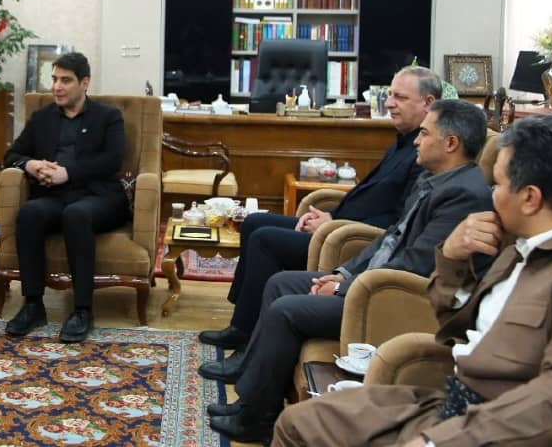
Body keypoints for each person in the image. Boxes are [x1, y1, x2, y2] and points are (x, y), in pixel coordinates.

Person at [273, 113, 552, 447]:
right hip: (447, 402)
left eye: (498, 185)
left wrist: (435, 442)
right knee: (297, 423)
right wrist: (452, 258)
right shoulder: (515, 249)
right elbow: (452, 327)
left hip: (489, 429)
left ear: (530, 198)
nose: (490, 196)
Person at [204, 99, 493, 444]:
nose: (417, 140)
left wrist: (344, 289)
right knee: (280, 283)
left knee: (286, 310)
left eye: (425, 134)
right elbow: (389, 238)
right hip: (367, 283)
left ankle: (256, 418)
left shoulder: (463, 195)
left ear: (451, 143)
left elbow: (415, 265)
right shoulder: (436, 179)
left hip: (389, 300)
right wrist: (343, 273)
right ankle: (253, 397)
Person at [201, 66, 442, 351]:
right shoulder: (403, 141)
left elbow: (398, 221)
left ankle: (245, 329)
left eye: (399, 97)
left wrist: (331, 225)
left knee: (265, 239)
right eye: (389, 95)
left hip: (350, 238)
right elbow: (369, 196)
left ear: (428, 103)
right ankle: (242, 318)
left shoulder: (424, 156)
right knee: (254, 222)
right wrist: (330, 215)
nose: (389, 103)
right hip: (337, 224)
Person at [2, 51, 129, 343]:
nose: (57, 87)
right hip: (55, 195)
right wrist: (30, 165)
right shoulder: (43, 117)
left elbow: (112, 161)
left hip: (100, 196)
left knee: (76, 215)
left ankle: (82, 310)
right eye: (54, 79)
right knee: (30, 213)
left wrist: (68, 173)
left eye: (66, 80)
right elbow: (11, 155)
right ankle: (33, 304)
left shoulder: (108, 117)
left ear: (84, 83)